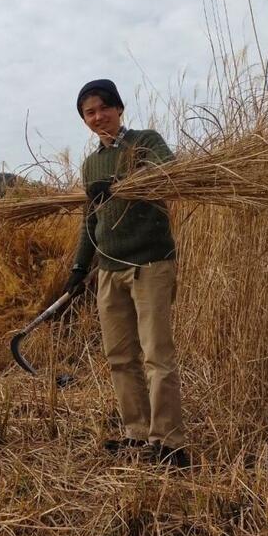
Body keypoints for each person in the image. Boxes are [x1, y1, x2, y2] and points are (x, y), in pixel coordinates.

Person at [65, 79, 189, 467]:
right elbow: (92, 219)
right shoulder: (90, 165)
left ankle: (169, 443)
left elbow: (168, 172)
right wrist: (79, 266)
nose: (97, 116)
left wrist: (118, 185)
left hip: (150, 264)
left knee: (156, 356)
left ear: (118, 109)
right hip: (109, 270)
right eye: (89, 112)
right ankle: (137, 434)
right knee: (120, 356)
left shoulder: (145, 142)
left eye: (103, 108)